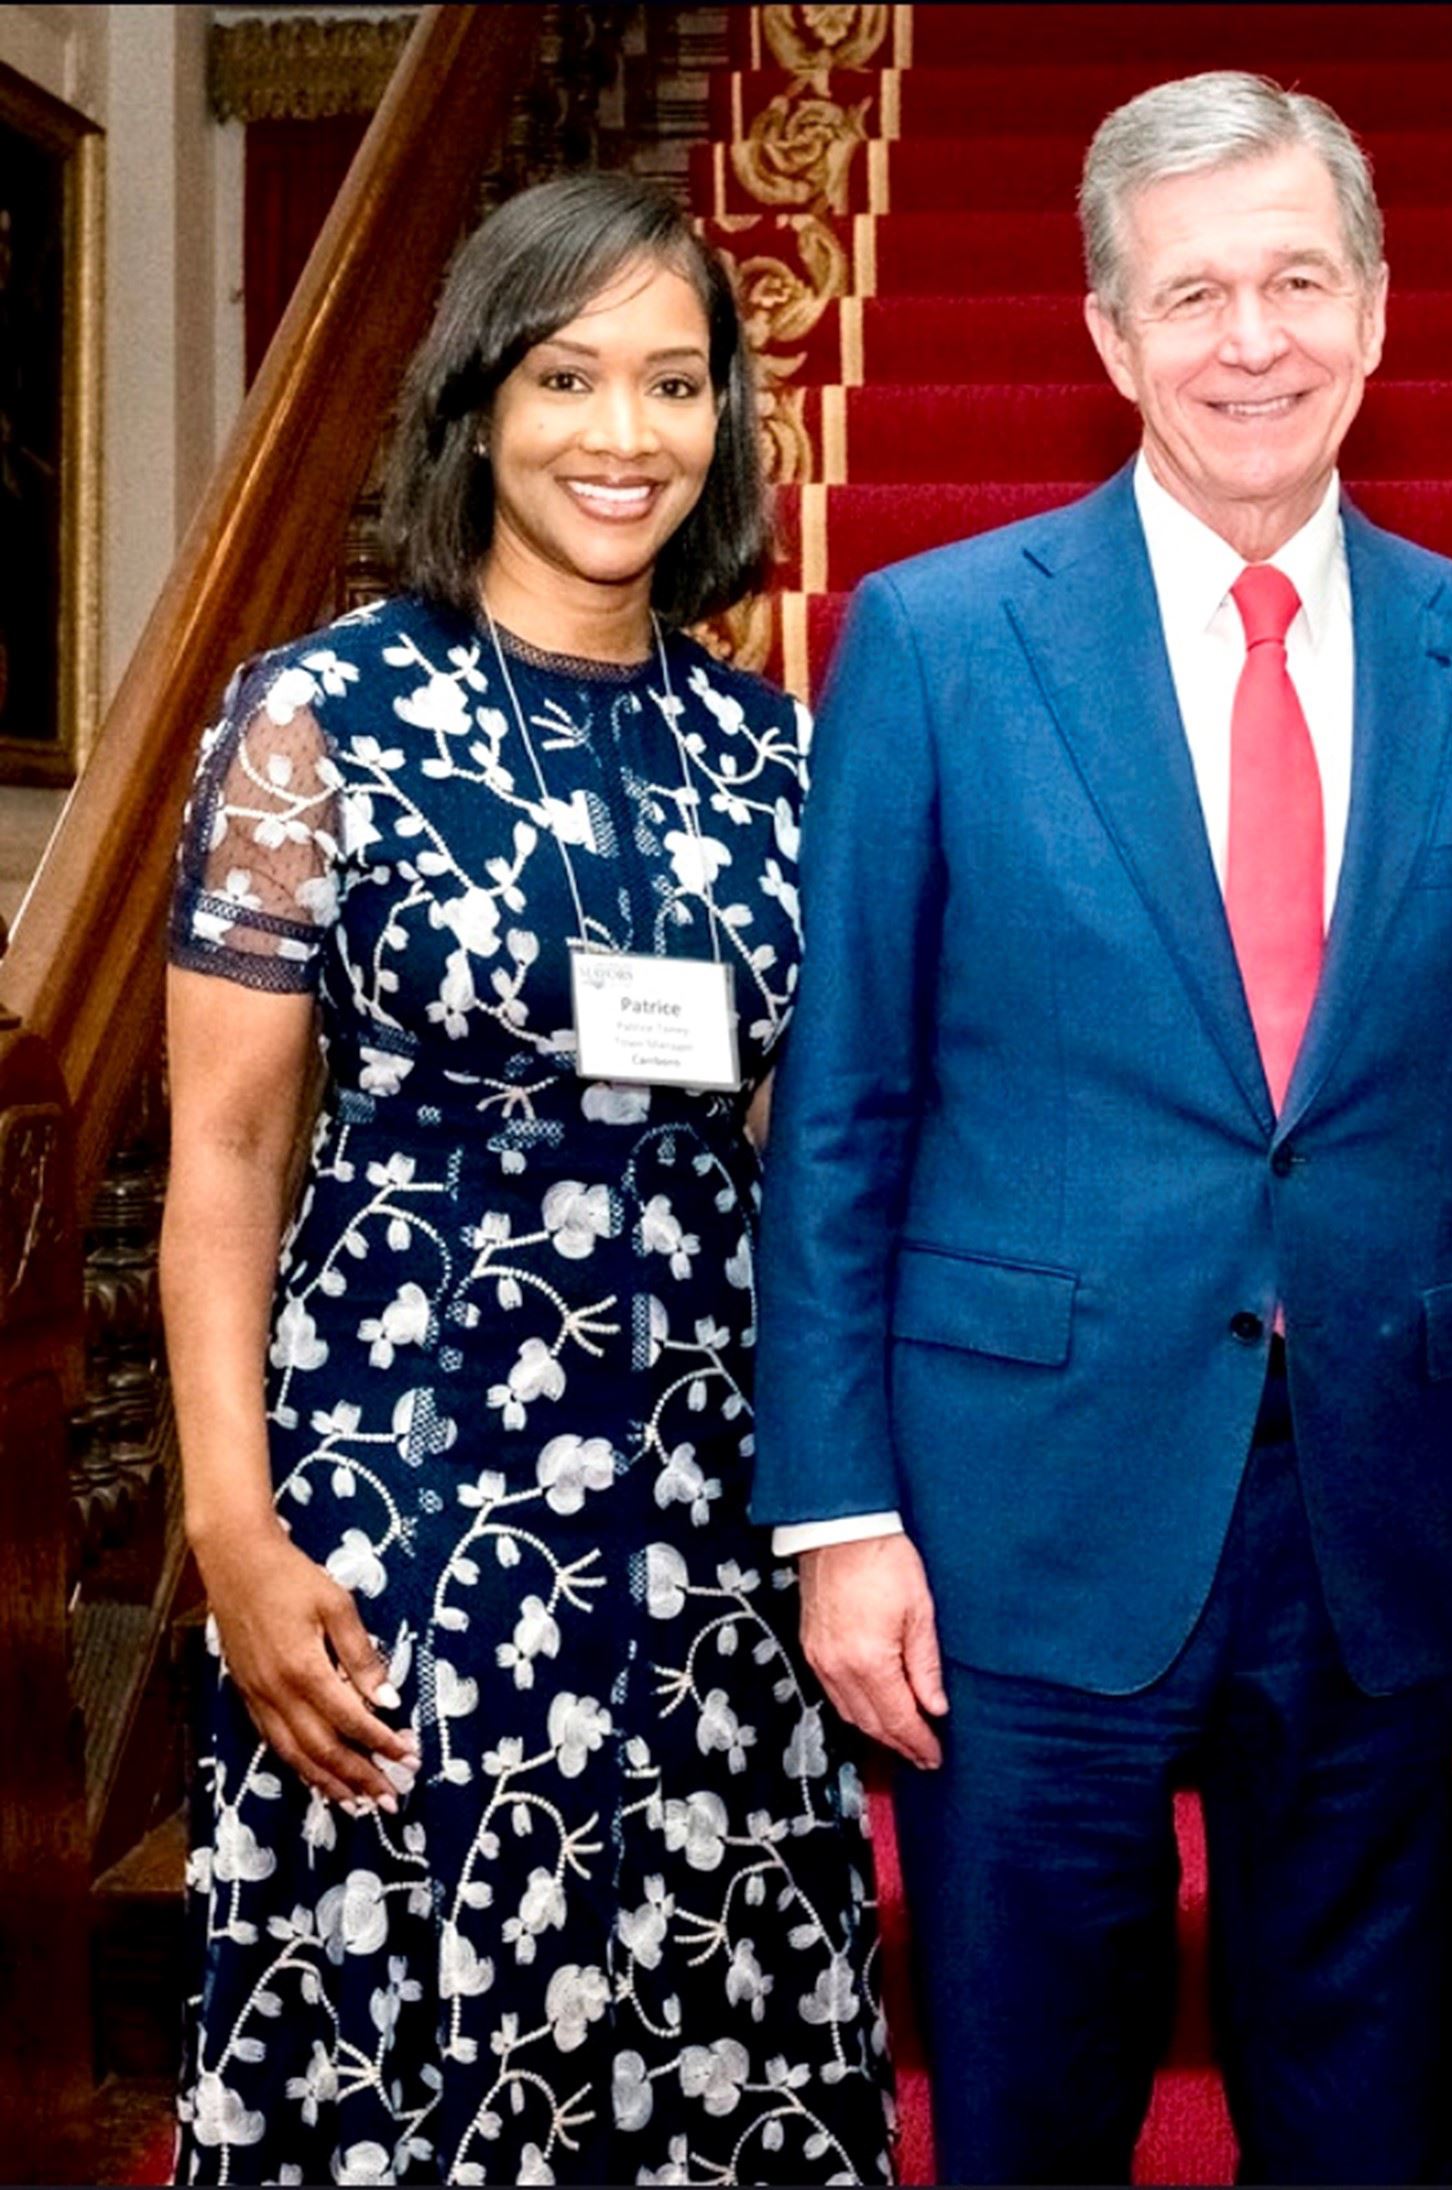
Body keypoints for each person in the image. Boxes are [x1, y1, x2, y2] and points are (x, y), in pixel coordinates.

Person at [749, 68, 1452, 2189]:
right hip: (1015, 1519)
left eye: (1297, 281)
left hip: (1384, 1518)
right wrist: (839, 1508)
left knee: (1368, 2117)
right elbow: (842, 1104)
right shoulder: (938, 644)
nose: (1254, 341)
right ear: (1114, 339)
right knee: (1033, 2115)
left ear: (1379, 312)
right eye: (1195, 293)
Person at [161, 173, 892, 2186]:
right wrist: (232, 1527)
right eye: (570, 375)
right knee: (434, 2040)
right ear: (481, 398)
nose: (623, 433)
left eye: (675, 383)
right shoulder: (323, 719)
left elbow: (804, 1156)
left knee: (708, 2039)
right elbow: (222, 1151)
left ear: (729, 422)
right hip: (412, 1502)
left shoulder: (784, 758)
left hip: (716, 1521)